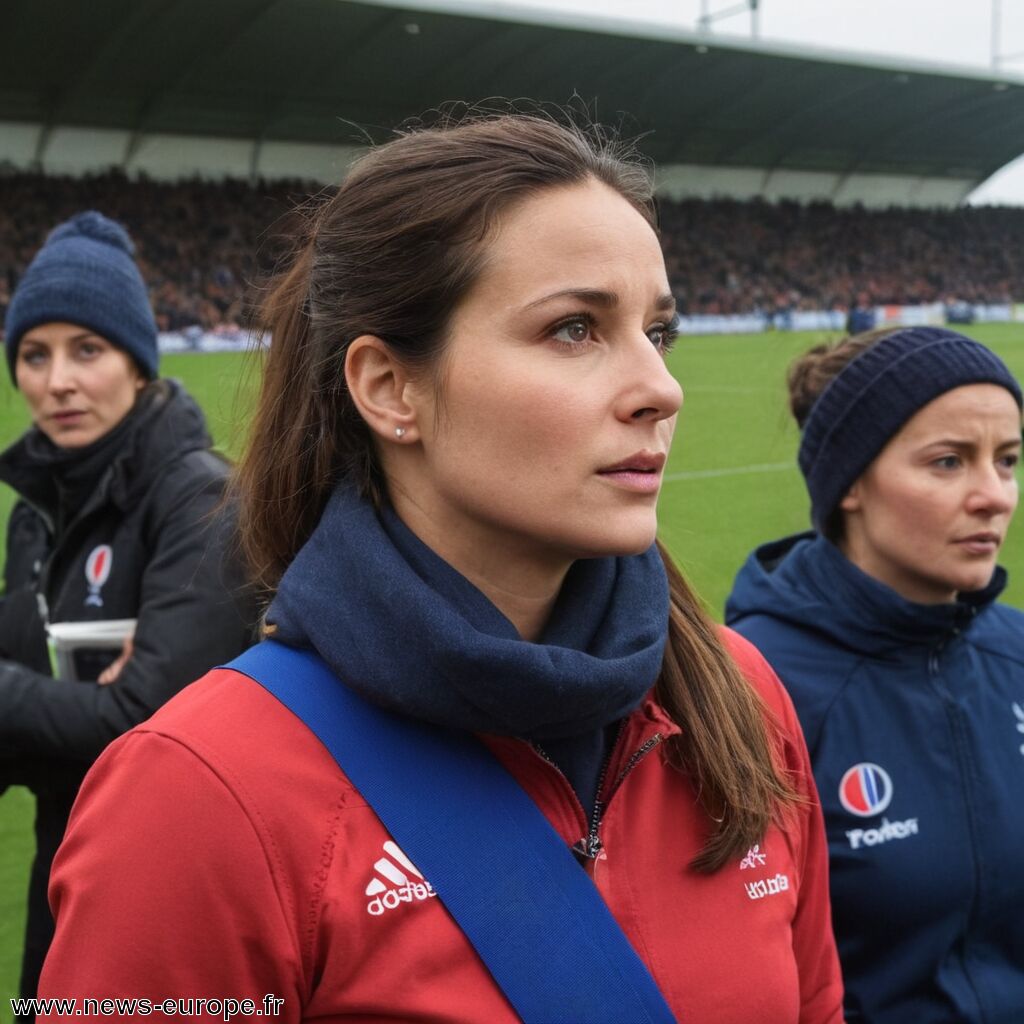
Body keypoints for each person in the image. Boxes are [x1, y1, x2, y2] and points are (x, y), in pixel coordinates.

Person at [38, 115, 843, 1022]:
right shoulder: (196, 793)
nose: (662, 388)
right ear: (389, 388)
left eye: (659, 331)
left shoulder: (740, 703)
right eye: (575, 329)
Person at [725, 326, 1024, 1023]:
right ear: (851, 481)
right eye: (949, 462)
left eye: (1007, 461)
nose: (994, 496)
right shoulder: (754, 689)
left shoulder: (1015, 654)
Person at [0, 211, 255, 1009]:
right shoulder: (35, 510)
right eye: (34, 356)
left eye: (88, 350)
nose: (57, 381)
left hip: (170, 881)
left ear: (138, 363)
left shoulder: (201, 500)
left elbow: (146, 726)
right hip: (62, 854)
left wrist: (27, 700)